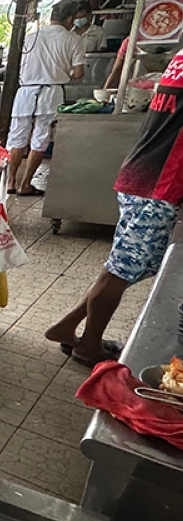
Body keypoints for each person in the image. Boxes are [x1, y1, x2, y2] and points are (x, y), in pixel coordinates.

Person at [46, 48, 183, 366]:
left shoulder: (179, 58)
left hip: (144, 174)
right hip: (156, 185)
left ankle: (68, 326)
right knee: (122, 271)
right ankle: (89, 346)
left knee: (128, 266)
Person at [6, 0, 86, 196]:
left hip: (25, 91)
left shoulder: (30, 37)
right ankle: (26, 183)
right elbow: (78, 73)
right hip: (51, 92)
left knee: (17, 137)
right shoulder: (73, 39)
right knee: (40, 138)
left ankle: (10, 182)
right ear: (69, 19)